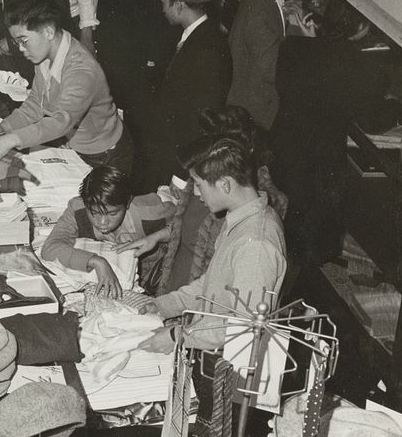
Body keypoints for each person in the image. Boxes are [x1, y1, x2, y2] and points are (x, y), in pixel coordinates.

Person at [135, 132, 287, 353]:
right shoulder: (240, 216)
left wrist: (179, 336)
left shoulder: (255, 245)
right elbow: (214, 283)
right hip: (209, 339)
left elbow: (244, 326)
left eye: (198, 184)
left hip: (225, 359)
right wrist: (165, 305)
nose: (197, 194)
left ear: (225, 184)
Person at [118, 105, 288, 297]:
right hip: (181, 281)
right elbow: (187, 226)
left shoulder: (244, 206)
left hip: (200, 295)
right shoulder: (205, 180)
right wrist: (156, 237)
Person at [0, 0, 132, 175]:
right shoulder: (45, 58)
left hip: (105, 155)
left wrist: (10, 140)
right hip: (78, 146)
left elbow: (61, 121)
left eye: (24, 40)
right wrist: (4, 127)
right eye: (17, 42)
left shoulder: (81, 70)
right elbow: (34, 105)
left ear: (48, 32)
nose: (21, 49)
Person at [144, 0, 231, 186]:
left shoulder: (207, 51)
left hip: (181, 164)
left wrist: (181, 175)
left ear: (180, 5)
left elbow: (200, 122)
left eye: (164, 3)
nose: (162, 9)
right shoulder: (195, 35)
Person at [40, 164, 172, 298]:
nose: (102, 222)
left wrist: (156, 236)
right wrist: (97, 262)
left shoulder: (150, 212)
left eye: (112, 214)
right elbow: (50, 247)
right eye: (94, 213)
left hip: (155, 277)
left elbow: (189, 227)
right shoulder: (77, 209)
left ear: (127, 203)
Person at [227, 0, 313, 130]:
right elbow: (274, 70)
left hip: (256, 107)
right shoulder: (258, 11)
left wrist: (292, 24)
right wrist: (308, 42)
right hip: (256, 115)